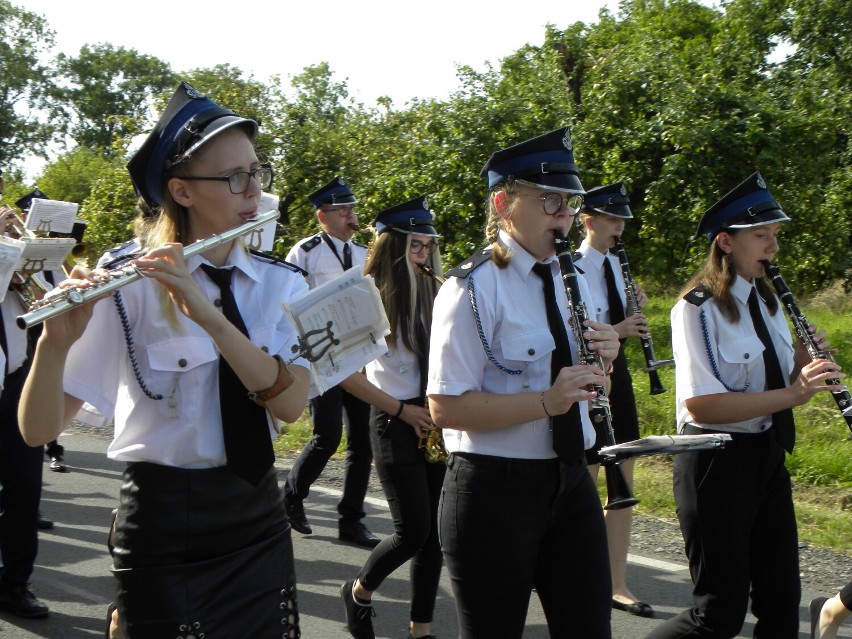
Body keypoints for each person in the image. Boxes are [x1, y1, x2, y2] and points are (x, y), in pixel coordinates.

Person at [16, 81, 310, 637]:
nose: (253, 190)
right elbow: (37, 430)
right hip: (161, 519)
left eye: (256, 171)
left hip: (255, 516)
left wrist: (208, 314)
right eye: (233, 177)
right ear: (182, 191)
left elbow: (291, 405)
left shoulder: (283, 284)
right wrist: (54, 344)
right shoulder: (130, 286)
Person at [427, 127, 621, 638]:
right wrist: (546, 401)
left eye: (569, 202)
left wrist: (608, 359)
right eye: (549, 200)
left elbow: (591, 382)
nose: (564, 214)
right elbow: (445, 407)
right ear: (504, 203)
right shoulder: (469, 288)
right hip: (494, 489)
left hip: (571, 481)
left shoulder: (571, 278)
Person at [645, 172, 845, 639]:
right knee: (717, 614)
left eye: (775, 235)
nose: (773, 247)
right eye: (762, 236)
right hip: (715, 462)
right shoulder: (696, 309)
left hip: (766, 456)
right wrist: (797, 394)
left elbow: (770, 379)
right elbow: (702, 405)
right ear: (726, 242)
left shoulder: (770, 301)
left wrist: (802, 361)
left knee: (780, 604)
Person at [338, 196, 445, 639]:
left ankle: (420, 630)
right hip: (393, 419)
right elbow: (346, 375)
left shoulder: (439, 288)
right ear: (394, 246)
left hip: (435, 418)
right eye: (414, 247)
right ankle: (359, 591)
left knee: (435, 537)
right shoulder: (366, 295)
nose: (422, 256)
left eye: (427, 247)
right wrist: (402, 411)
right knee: (412, 532)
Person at [283, 177, 380, 548]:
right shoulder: (305, 252)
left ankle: (351, 520)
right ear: (323, 216)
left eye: (352, 210)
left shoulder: (363, 253)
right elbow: (291, 302)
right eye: (343, 211)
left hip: (358, 353)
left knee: (362, 442)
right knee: (327, 436)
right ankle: (292, 495)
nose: (351, 216)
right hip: (322, 354)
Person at [574, 182, 654, 618]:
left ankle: (616, 581)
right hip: (587, 378)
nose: (619, 228)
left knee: (623, 476)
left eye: (622, 220)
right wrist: (621, 329)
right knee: (586, 476)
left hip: (616, 380)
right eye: (612, 219)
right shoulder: (571, 267)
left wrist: (632, 310)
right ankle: (575, 571)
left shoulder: (619, 268)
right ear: (588, 221)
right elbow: (583, 329)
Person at [0, 178, 50, 619]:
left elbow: (46, 300)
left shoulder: (10, 248)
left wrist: (26, 266)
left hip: (16, 380)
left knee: (24, 489)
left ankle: (15, 583)